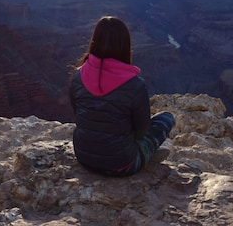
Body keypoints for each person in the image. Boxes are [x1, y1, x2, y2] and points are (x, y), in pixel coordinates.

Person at [69, 16, 175, 177]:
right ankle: (149, 154)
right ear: (125, 45)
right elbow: (142, 131)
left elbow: (77, 113)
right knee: (166, 118)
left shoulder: (78, 75)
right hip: (122, 165)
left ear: (94, 41)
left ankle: (146, 152)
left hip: (84, 157)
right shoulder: (135, 84)